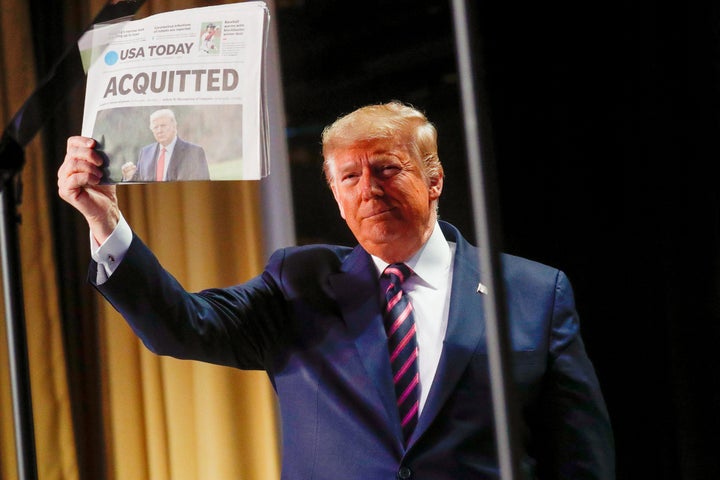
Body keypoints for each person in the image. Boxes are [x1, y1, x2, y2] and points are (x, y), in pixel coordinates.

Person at [58, 101, 615, 479]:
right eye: (349, 177)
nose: (368, 190)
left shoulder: (533, 291)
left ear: (434, 178)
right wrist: (105, 220)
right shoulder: (299, 284)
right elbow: (181, 325)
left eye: (388, 169)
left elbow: (581, 457)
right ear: (333, 191)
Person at [121, 108, 210, 182]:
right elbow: (138, 186)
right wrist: (129, 177)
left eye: (163, 126)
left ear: (174, 126)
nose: (159, 130)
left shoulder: (194, 152)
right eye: (155, 127)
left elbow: (204, 187)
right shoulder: (145, 153)